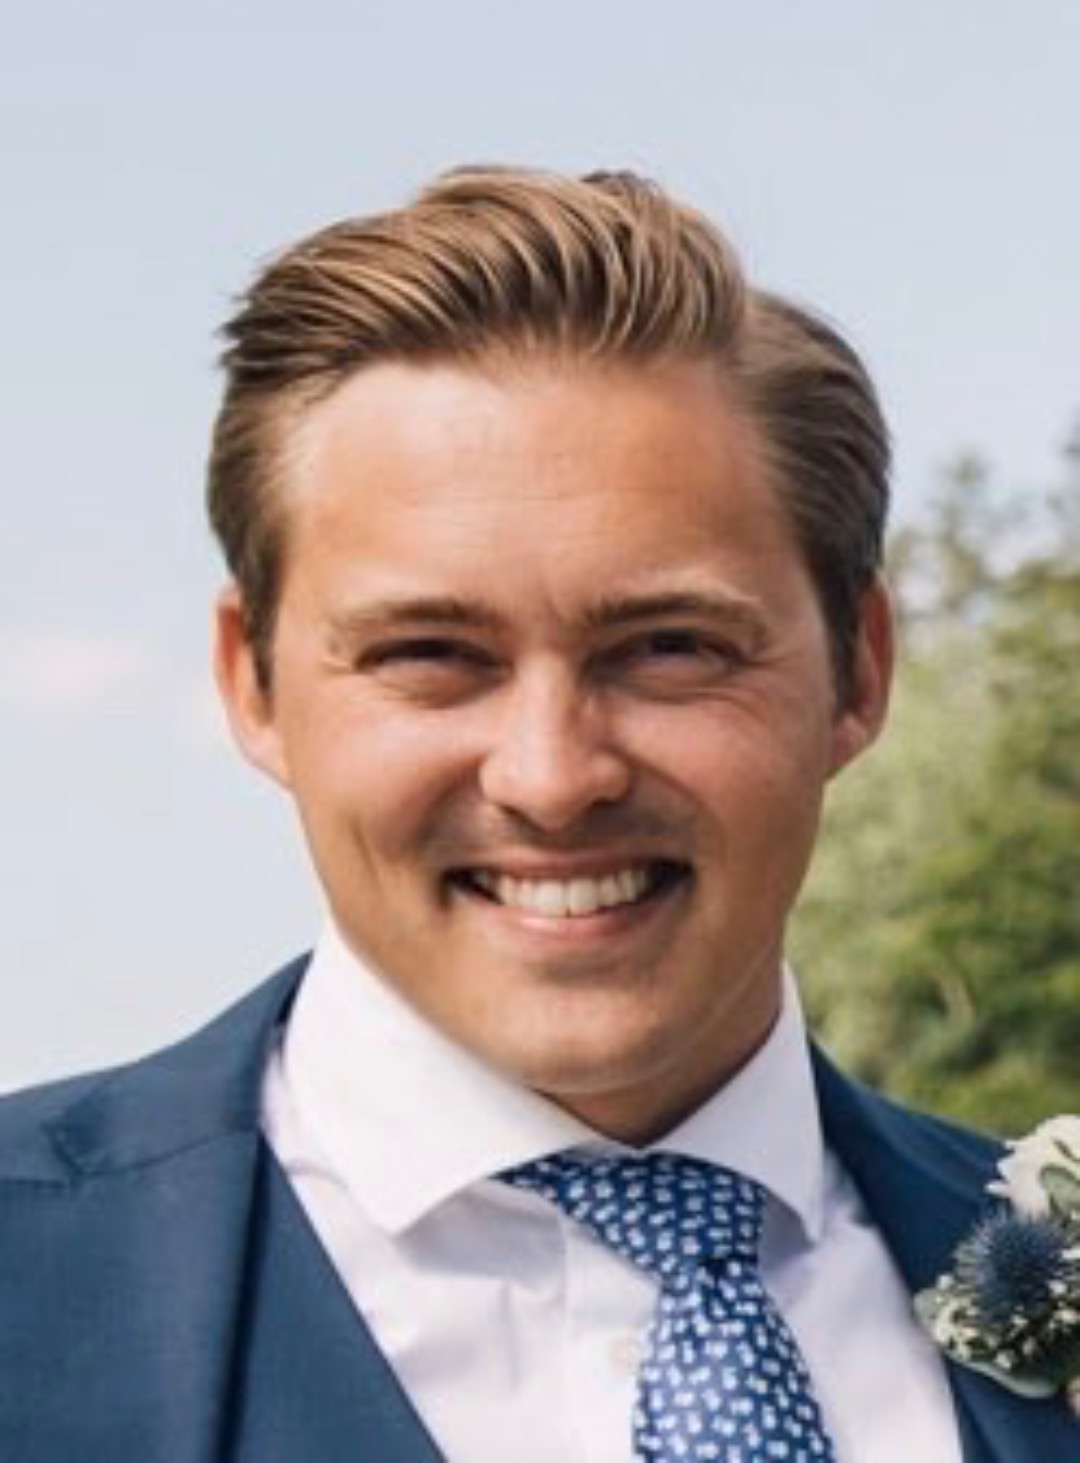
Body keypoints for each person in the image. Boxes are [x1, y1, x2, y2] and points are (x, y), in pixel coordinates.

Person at [0, 166, 1069, 1462]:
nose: (553, 778)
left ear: (859, 671)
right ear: (254, 684)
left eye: (669, 646)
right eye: (429, 655)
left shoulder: (1036, 1251)